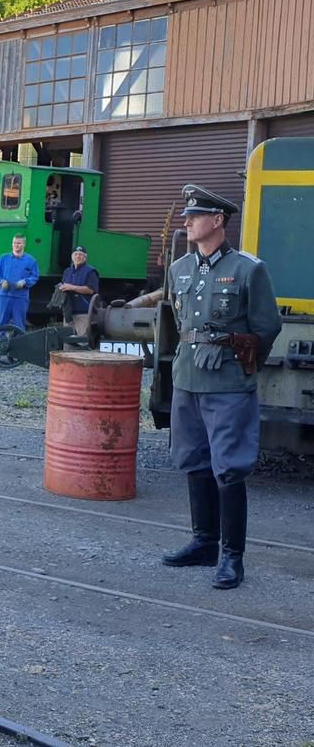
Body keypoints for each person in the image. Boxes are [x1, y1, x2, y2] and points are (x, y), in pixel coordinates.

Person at [157, 184, 281, 589]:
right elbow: (179, 326)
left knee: (228, 467)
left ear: (217, 221)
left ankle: (232, 556)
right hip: (189, 378)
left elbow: (266, 327)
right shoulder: (179, 270)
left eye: (195, 216)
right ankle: (204, 542)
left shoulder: (248, 269)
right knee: (193, 459)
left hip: (228, 382)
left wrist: (244, 368)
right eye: (187, 217)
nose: (187, 222)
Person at [0, 233, 39, 330]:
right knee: (2, 324)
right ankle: (1, 342)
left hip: (20, 297)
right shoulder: (3, 258)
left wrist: (25, 282)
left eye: (19, 243)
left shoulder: (31, 261)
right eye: (14, 243)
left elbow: (35, 276)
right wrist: (1, 281)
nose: (16, 245)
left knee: (19, 325)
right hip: (4, 296)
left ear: (24, 244)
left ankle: (18, 343)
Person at [58, 246, 100, 335]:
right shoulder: (67, 271)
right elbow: (65, 285)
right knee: (68, 342)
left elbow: (91, 290)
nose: (78, 256)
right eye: (76, 254)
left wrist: (72, 287)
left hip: (83, 313)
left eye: (81, 255)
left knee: (83, 342)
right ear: (72, 256)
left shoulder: (91, 272)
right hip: (68, 312)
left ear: (85, 257)